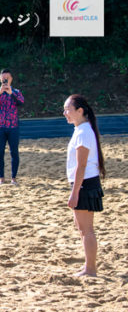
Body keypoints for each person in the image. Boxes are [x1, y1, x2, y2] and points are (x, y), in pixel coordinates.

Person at [63, 94, 105, 277]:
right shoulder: (82, 129)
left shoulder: (84, 132)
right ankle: (88, 266)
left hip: (85, 184)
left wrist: (74, 193)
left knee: (87, 230)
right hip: (84, 183)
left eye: (68, 110)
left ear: (80, 111)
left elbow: (81, 166)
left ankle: (91, 269)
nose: (65, 113)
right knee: (83, 228)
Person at [0, 68, 25, 186]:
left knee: (14, 152)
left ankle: (14, 178)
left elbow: (21, 103)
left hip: (13, 126)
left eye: (7, 78)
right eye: (3, 78)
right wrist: (0, 92)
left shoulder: (16, 92)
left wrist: (11, 93)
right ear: (0, 79)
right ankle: (2, 178)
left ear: (11, 79)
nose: (5, 80)